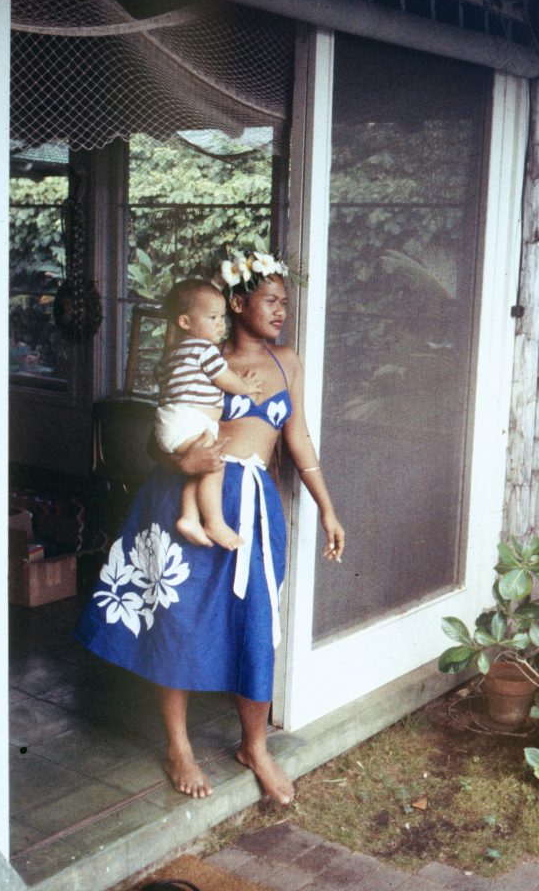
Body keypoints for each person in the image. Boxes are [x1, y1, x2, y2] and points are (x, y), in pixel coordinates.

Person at [75, 249, 345, 806]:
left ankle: (255, 746)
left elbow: (298, 440)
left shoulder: (286, 361)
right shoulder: (198, 354)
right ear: (237, 302)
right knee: (175, 618)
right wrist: (185, 464)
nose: (280, 312)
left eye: (285, 303)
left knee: (255, 622)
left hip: (249, 503)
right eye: (270, 301)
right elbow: (160, 437)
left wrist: (327, 507)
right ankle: (179, 746)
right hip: (186, 496)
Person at [155, 278, 262, 551]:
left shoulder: (172, 353)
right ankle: (214, 521)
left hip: (175, 424)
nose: (220, 325)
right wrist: (246, 386)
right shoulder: (204, 349)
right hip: (189, 421)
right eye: (212, 317)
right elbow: (226, 379)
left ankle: (190, 517)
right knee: (214, 465)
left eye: (222, 317)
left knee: (202, 468)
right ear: (185, 323)